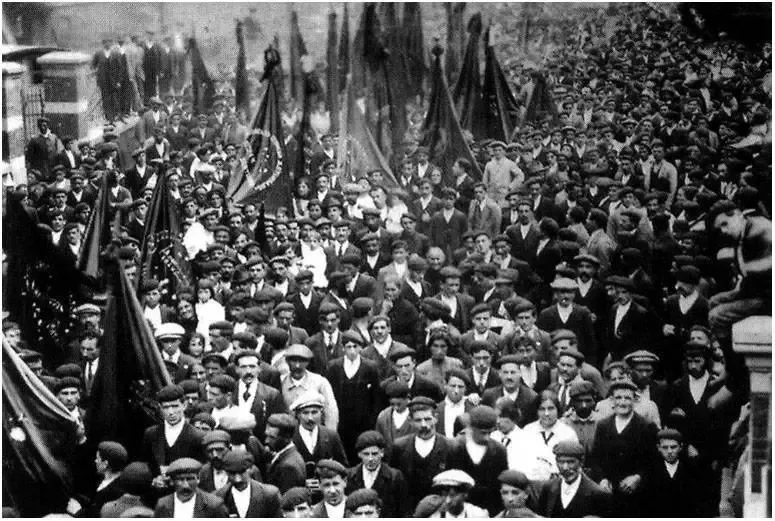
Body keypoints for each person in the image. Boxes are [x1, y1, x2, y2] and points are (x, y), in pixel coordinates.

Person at [588, 380, 658, 517]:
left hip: (637, 494)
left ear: (635, 401)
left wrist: (638, 477)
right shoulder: (603, 425)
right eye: (618, 398)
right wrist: (602, 479)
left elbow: (653, 461)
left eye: (627, 398)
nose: (622, 402)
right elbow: (595, 458)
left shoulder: (646, 426)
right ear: (612, 401)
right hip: (609, 493)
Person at [527, 440, 611, 517]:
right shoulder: (548, 488)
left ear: (581, 462)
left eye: (570, 462)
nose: (565, 467)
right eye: (561, 462)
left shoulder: (597, 494)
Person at [345, 430, 410, 517]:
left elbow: (403, 510)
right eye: (366, 454)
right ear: (359, 454)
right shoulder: (350, 475)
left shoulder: (395, 477)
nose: (370, 458)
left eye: (374, 454)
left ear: (382, 453)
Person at [152, 457, 229, 517]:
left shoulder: (214, 504)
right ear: (172, 481)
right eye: (180, 480)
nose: (185, 485)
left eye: (190, 479)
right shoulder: (163, 504)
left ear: (198, 479)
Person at [216, 449, 282, 518]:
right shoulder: (219, 498)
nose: (238, 479)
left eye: (242, 472)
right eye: (232, 473)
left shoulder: (270, 495)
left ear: (250, 469)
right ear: (226, 472)